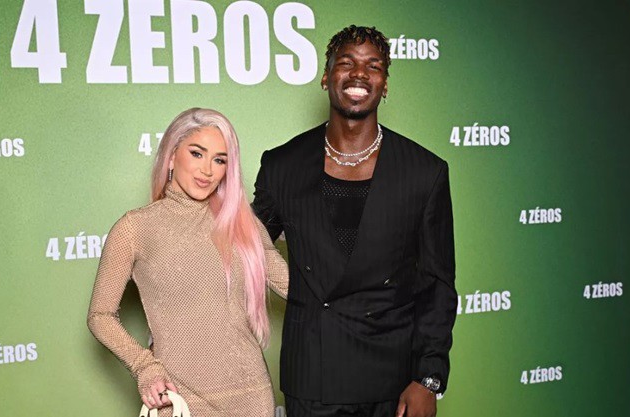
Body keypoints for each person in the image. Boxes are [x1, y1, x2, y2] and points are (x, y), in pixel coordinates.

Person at [252, 26, 457, 417]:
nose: (359, 74)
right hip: (312, 375)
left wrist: (428, 378)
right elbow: (245, 245)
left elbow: (437, 285)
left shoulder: (424, 171)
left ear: (385, 84)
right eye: (346, 63)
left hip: (393, 380)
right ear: (326, 76)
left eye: (373, 66)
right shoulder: (282, 165)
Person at [88, 108, 288, 417]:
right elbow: (100, 316)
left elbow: (301, 289)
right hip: (181, 398)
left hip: (251, 395)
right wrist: (144, 366)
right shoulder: (135, 228)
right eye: (197, 154)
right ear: (171, 156)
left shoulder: (242, 223)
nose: (207, 170)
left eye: (219, 160)